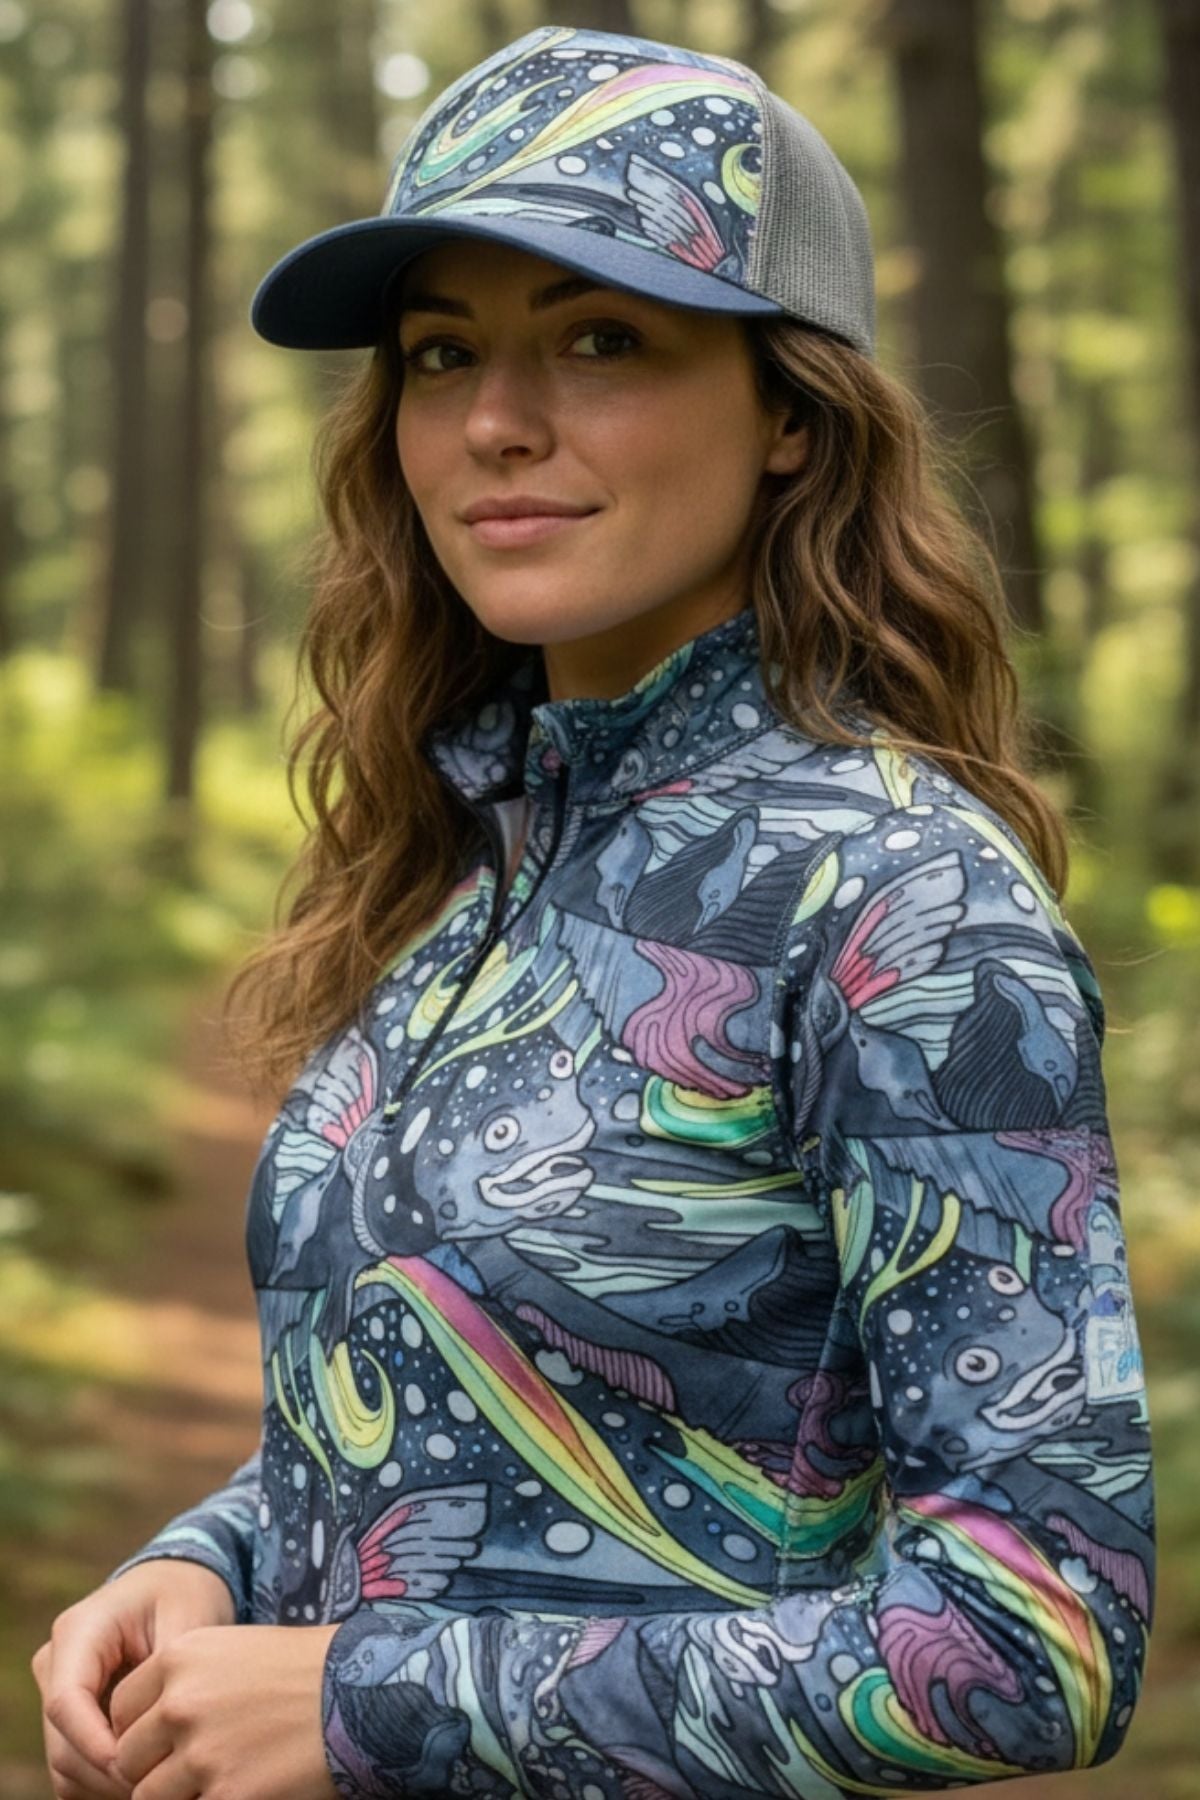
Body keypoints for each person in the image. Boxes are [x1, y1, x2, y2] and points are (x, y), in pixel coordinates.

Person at [32, 21, 1154, 1800]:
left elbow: (1034, 1641)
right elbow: (470, 1421)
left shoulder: (903, 905)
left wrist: (369, 1703)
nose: (496, 420)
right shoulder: (461, 863)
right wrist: (212, 1560)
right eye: (443, 352)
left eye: (603, 339)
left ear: (793, 413)